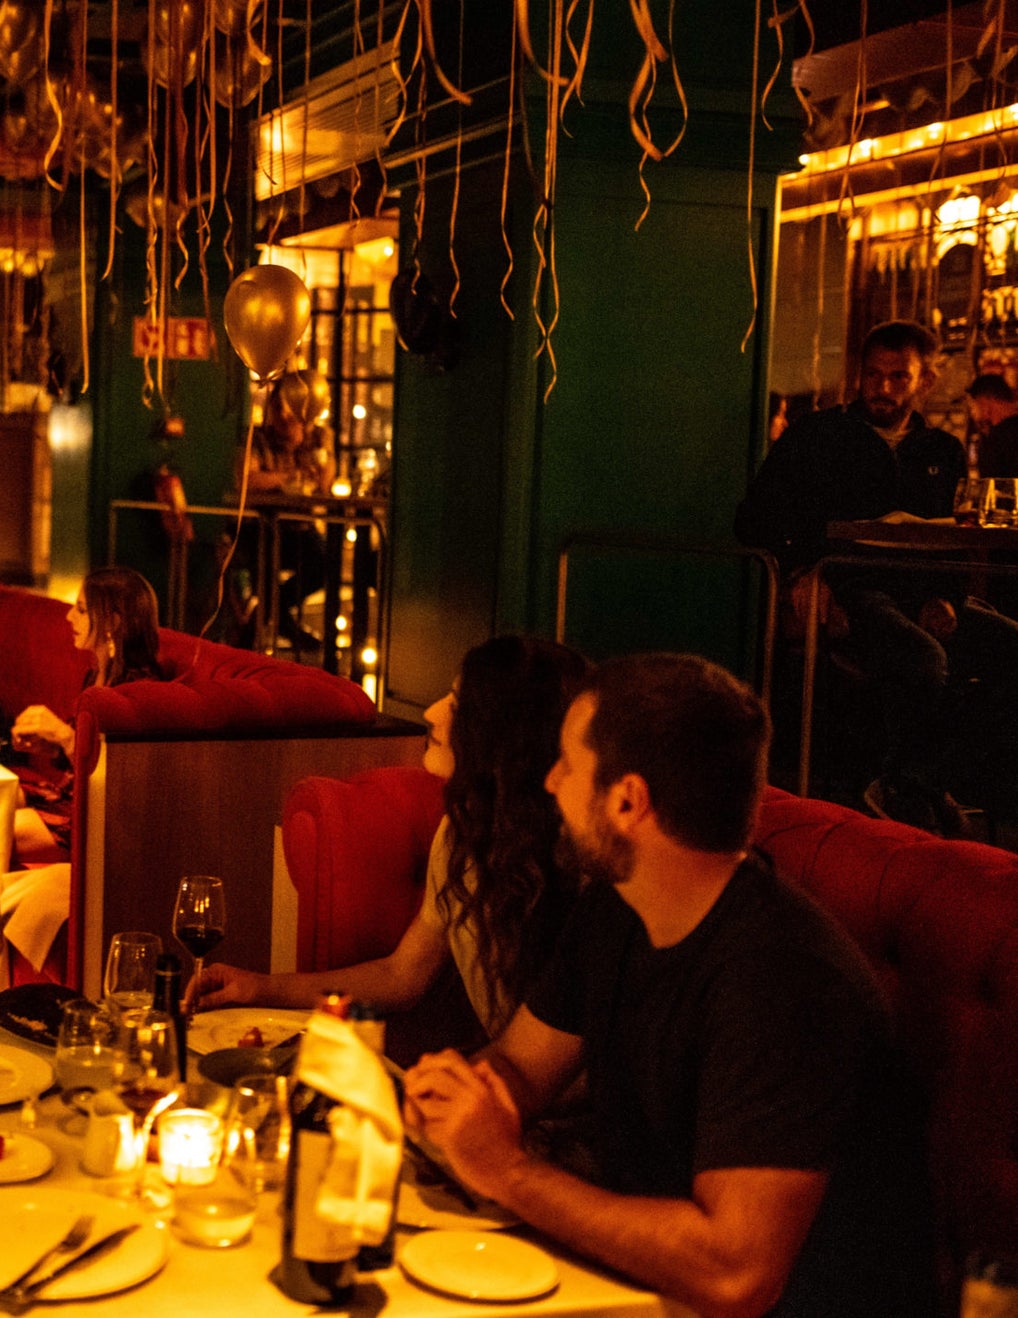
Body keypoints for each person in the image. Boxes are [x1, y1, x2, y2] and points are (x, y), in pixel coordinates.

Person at [404, 654, 930, 1318]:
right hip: (644, 1291)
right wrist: (442, 1100)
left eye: (567, 764)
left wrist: (506, 1170)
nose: (550, 780)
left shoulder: (785, 982)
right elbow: (521, 1067)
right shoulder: (618, 907)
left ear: (627, 801)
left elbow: (737, 1274)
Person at [190, 636, 590, 1041]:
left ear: (506, 735)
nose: (431, 713)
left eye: (457, 705)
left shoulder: (579, 860)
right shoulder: (461, 833)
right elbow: (402, 975)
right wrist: (260, 988)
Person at [736, 319, 1018, 834]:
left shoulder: (941, 450)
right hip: (851, 588)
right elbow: (756, 518)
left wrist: (947, 597)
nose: (882, 388)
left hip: (922, 590)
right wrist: (803, 570)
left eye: (897, 377)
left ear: (925, 381)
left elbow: (955, 538)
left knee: (1009, 646)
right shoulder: (819, 435)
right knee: (924, 660)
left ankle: (923, 781)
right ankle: (908, 786)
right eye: (873, 375)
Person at [8, 567, 164, 860]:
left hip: (95, 816)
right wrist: (50, 745)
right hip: (69, 794)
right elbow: (77, 757)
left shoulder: (139, 692)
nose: (69, 617)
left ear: (113, 622)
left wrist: (64, 736)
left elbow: (118, 782)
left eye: (80, 609)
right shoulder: (95, 675)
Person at [234, 372, 334, 654]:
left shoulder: (317, 437)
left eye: (291, 406)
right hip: (261, 526)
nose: (284, 414)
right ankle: (287, 629)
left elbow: (324, 483)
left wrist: (312, 452)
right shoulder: (257, 437)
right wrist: (288, 477)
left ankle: (261, 626)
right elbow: (247, 480)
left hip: (300, 527)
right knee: (263, 568)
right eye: (278, 407)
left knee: (325, 562)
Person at [966, 371, 1018, 478]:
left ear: (984, 401)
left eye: (972, 406)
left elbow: (990, 479)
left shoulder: (998, 438)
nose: (972, 413)